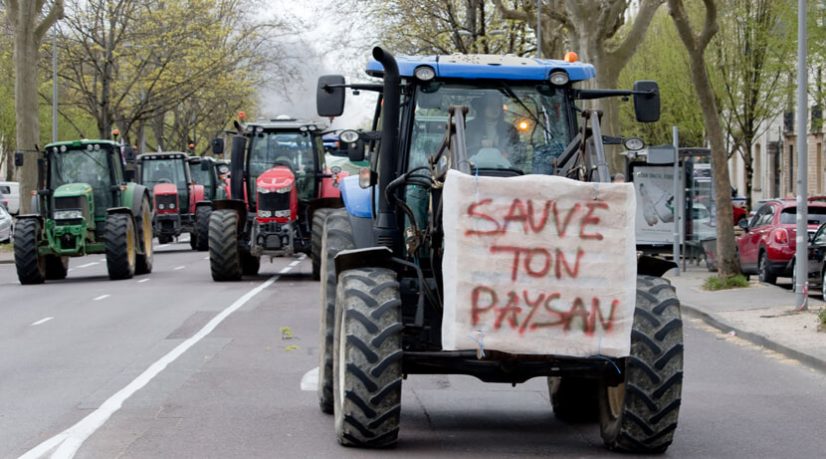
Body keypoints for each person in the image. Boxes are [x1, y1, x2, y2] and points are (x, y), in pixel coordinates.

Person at [466, 93, 519, 168]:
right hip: (472, 171)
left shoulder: (510, 129)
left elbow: (518, 154)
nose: (495, 108)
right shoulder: (469, 128)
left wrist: (507, 154)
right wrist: (479, 145)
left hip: (506, 172)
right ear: (482, 107)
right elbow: (463, 151)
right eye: (491, 105)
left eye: (498, 105)